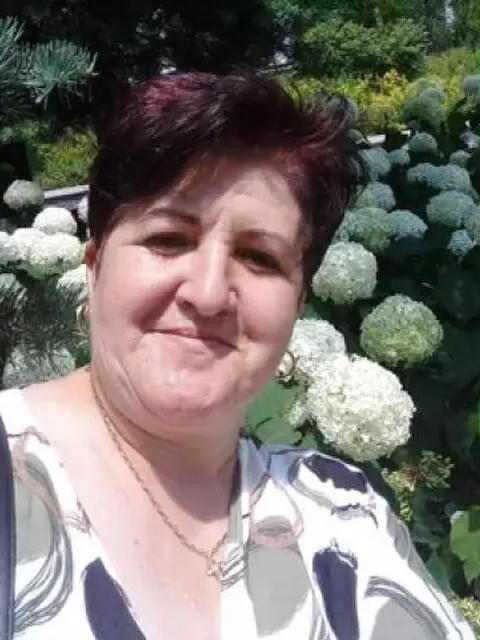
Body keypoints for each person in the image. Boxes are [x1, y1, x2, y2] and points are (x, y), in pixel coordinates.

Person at [0, 73, 474, 640]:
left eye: (258, 257)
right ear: (95, 266)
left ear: (298, 303)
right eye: (168, 239)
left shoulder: (344, 511)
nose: (207, 294)